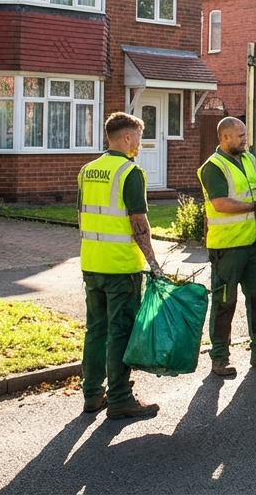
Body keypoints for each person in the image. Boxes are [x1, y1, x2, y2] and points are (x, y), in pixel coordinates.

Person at [78, 111, 161, 419]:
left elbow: (81, 217)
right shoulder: (130, 172)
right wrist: (154, 263)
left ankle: (92, 394)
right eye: (139, 136)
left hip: (91, 263)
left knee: (95, 330)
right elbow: (138, 222)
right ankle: (121, 397)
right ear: (127, 138)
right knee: (121, 331)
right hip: (121, 267)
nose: (140, 142)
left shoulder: (87, 170)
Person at [199, 116, 256, 378]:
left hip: (252, 245)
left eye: (245, 135)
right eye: (240, 136)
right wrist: (255, 206)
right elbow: (220, 204)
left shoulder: (249, 159)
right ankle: (219, 358)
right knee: (224, 303)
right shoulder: (213, 167)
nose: (245, 139)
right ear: (225, 137)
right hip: (227, 249)